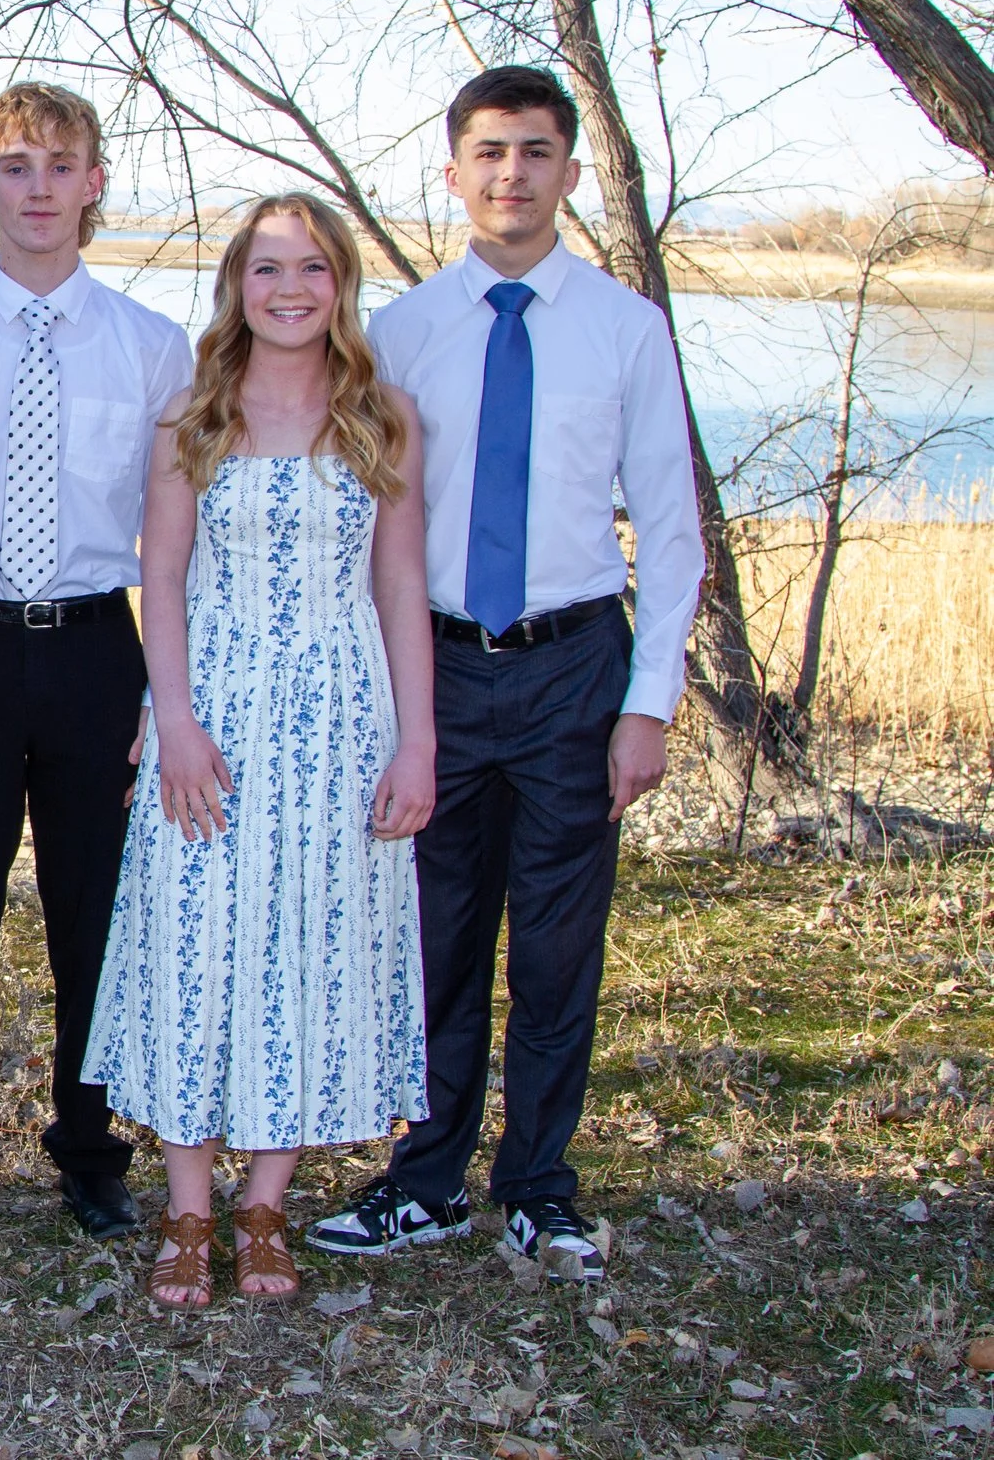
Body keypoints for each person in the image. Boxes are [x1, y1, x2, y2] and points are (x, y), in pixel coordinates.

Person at [306, 66, 703, 1282]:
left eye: (535, 152)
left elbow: (675, 529)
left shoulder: (625, 329)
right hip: (433, 670)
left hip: (575, 666)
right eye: (488, 151)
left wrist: (649, 703)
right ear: (453, 171)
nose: (511, 173)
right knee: (435, 938)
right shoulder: (404, 333)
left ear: (570, 173)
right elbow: (361, 522)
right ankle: (424, 1182)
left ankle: (538, 1186)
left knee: (557, 947)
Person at [82, 194, 435, 1307]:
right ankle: (187, 1208)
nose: (291, 288)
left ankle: (264, 1202)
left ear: (341, 284)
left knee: (313, 943)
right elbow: (167, 575)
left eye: (314, 267)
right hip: (215, 715)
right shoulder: (195, 411)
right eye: (268, 267)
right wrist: (172, 717)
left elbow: (399, 582)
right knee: (195, 939)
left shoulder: (383, 412)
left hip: (341, 715)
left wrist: (415, 740)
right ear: (237, 283)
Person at [0, 83, 191, 1238]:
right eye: (14, 166)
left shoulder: (155, 349)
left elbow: (174, 544)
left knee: (95, 910)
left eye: (61, 165)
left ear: (96, 181)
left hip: (93, 647)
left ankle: (89, 1140)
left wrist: (164, 690)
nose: (39, 188)